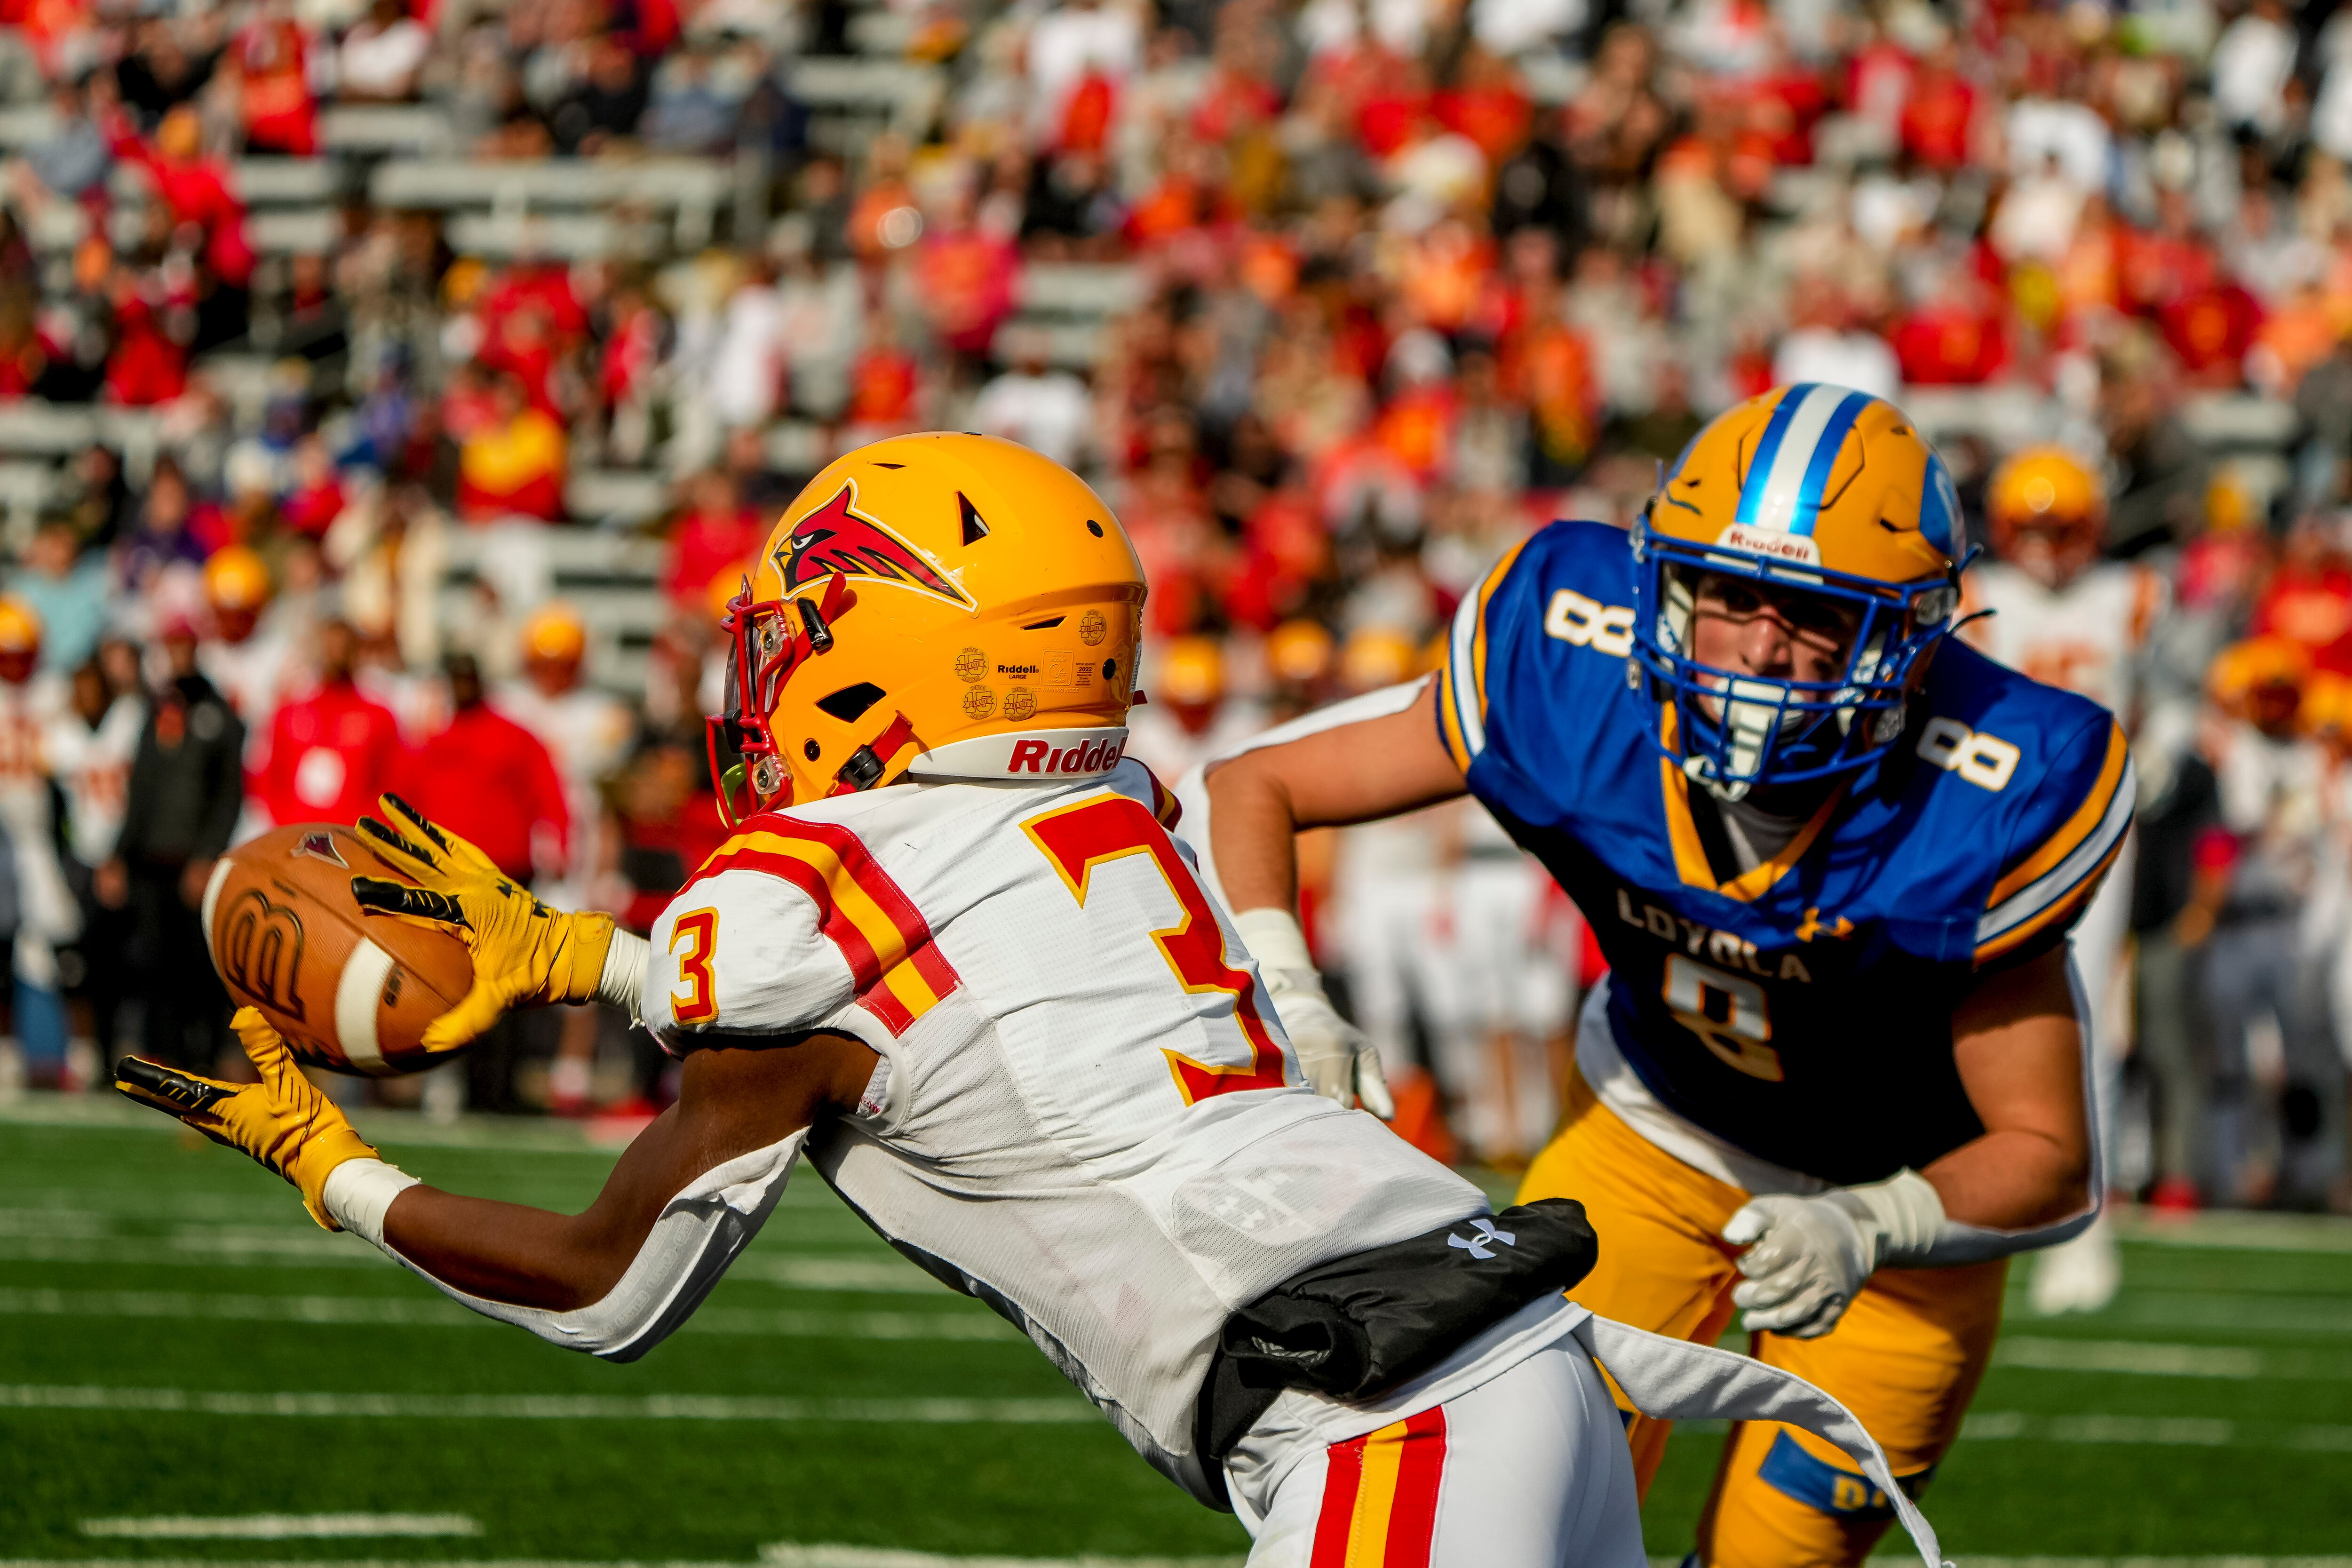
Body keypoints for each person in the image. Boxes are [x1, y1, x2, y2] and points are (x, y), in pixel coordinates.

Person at [111, 435, 1943, 1568]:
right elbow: (888, 968)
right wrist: (589, 948)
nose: (774, 665)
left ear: (903, 645)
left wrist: (338, 1170)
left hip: (1383, 1414)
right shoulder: (1105, 806)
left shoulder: (813, 887)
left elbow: (614, 1287)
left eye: (806, 622)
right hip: (1502, 1357)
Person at [1200, 385, 2123, 1568]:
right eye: (1732, 597)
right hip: (1649, 1137)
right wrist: (1288, 981)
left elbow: (2048, 1156)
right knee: (1514, 1501)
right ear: (1665, 583)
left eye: (1818, 616)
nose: (1761, 647)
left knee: (1773, 1559)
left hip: (1897, 1207)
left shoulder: (1990, 783)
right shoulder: (1573, 667)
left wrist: (1869, 1223)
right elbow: (1256, 785)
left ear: (1904, 637)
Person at [1962, 446, 2164, 1313]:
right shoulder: (1979, 597)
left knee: (2085, 1011)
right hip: (2002, 836)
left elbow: (2174, 704)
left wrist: (2149, 766)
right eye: (2032, 529)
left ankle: (2087, 1210)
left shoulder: (2131, 596)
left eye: (2063, 527)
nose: (2045, 548)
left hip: (2098, 827)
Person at [391, 651, 571, 1113]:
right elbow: (405, 802)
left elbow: (546, 788)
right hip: (449, 880)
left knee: (506, 984)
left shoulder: (511, 735)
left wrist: (560, 841)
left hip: (505, 872)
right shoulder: (434, 739)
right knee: (453, 985)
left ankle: (500, 1087)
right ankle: (460, 1084)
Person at [101, 632, 245, 1073]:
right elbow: (141, 790)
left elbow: (227, 795)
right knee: (154, 966)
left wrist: (207, 855)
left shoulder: (217, 715)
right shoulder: (159, 711)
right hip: (151, 862)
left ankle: (203, 1059)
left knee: (199, 970)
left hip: (192, 864)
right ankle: (163, 1058)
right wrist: (119, 855)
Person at [0, 598, 78, 1085]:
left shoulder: (53, 691)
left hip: (40, 838)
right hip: (6, 836)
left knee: (52, 940)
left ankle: (53, 1052)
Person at [253, 619, 402, 831]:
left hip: (353, 842)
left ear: (357, 651)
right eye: (331, 646)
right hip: (295, 838)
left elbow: (395, 783)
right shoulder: (290, 714)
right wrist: (285, 823)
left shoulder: (379, 717)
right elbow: (268, 777)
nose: (337, 653)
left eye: (345, 646)